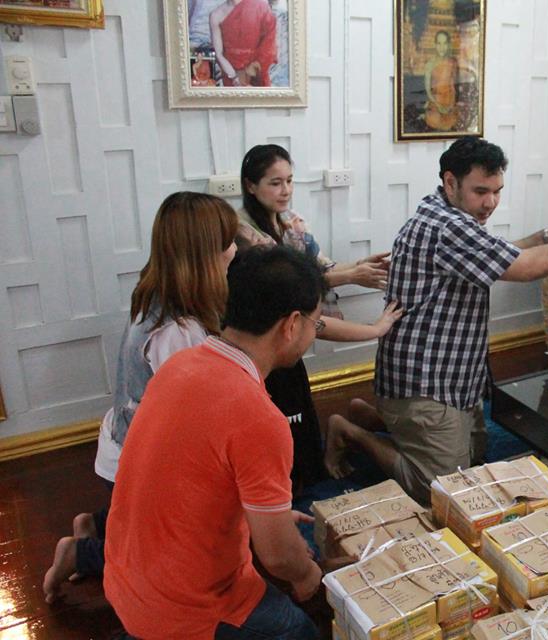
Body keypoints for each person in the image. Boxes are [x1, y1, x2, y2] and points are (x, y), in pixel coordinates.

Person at [324, 137, 548, 503]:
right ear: (450, 183)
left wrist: (545, 237)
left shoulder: (444, 213)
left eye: (497, 191)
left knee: (474, 457)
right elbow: (525, 268)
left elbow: (494, 255)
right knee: (440, 490)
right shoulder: (448, 227)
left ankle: (370, 416)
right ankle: (352, 433)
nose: (491, 202)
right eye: (481, 191)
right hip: (426, 384)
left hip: (450, 377)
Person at [104, 246, 326, 640]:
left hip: (125, 579)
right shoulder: (260, 417)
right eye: (316, 322)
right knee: (300, 630)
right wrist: (308, 574)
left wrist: (263, 516)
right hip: (183, 608)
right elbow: (278, 557)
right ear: (292, 325)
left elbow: (195, 476)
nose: (314, 332)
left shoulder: (180, 364)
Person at [42, 192, 238, 604]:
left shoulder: (157, 295)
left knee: (135, 515)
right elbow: (188, 421)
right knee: (163, 547)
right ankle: (79, 553)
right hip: (139, 460)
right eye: (228, 243)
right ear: (204, 256)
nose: (234, 250)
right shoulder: (178, 333)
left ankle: (95, 524)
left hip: (121, 445)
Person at [238, 143, 400, 490]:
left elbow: (321, 267)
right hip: (264, 337)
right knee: (278, 416)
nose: (286, 191)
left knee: (298, 409)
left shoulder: (291, 223)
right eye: (275, 183)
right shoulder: (244, 232)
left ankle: (311, 463)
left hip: (290, 336)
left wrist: (359, 266)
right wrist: (352, 276)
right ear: (250, 185)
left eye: (289, 181)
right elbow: (292, 285)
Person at [210, 0, 277, 87]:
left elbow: (269, 45)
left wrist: (249, 72)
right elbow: (219, 54)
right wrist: (235, 77)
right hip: (231, 74)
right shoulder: (216, 15)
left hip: (257, 74)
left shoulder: (261, 6)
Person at [424, 30, 459, 131]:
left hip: (449, 102)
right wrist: (438, 105)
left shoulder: (452, 62)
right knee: (434, 122)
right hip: (435, 101)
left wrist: (450, 106)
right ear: (435, 45)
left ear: (448, 45)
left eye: (444, 43)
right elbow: (428, 90)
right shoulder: (430, 64)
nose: (442, 47)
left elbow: (453, 87)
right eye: (439, 43)